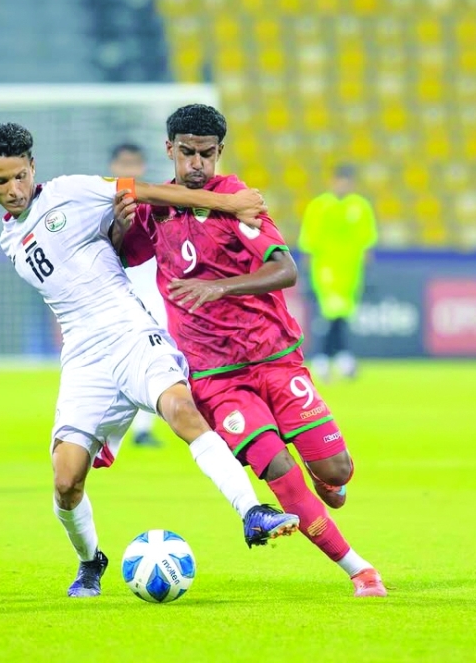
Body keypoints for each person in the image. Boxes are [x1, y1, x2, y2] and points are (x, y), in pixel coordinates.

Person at [0, 122, 300, 598]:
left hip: (130, 333)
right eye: (0, 181)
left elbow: (148, 191)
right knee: (66, 483)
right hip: (84, 358)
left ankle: (253, 512)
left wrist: (230, 203)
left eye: (19, 176)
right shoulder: (9, 239)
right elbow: (111, 244)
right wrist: (121, 229)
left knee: (179, 409)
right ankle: (91, 563)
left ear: (33, 167)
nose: (13, 189)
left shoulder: (71, 192)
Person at [114, 104, 386, 597]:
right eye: (187, 153)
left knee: (336, 472)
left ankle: (329, 485)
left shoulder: (239, 202)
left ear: (220, 152)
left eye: (207, 154)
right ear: (169, 149)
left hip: (275, 358)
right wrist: (120, 221)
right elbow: (122, 250)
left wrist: (220, 289)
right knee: (279, 473)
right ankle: (359, 569)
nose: (197, 163)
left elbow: (285, 270)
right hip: (216, 377)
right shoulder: (157, 208)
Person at [297, 164, 377, 381]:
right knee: (330, 315)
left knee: (341, 317)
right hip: (325, 269)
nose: (344, 185)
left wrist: (368, 271)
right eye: (341, 180)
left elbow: (367, 242)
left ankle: (338, 358)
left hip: (351, 272)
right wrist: (305, 275)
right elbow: (308, 243)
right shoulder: (319, 206)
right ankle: (326, 360)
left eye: (348, 181)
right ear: (332, 181)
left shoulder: (360, 207)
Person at [109, 143, 165, 448]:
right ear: (113, 166)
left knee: (153, 361)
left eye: (134, 163)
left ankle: (143, 429)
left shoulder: (154, 204)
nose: (129, 169)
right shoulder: (99, 204)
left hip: (152, 296)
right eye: (123, 163)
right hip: (113, 298)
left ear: (142, 167)